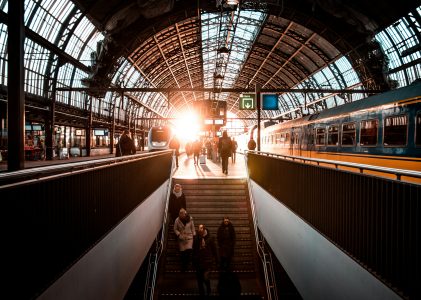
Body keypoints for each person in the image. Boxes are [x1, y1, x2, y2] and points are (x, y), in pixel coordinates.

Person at [193, 224, 218, 297]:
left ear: (204, 229)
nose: (199, 229)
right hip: (199, 262)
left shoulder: (210, 238)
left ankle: (208, 288)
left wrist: (217, 260)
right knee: (199, 280)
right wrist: (193, 260)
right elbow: (194, 250)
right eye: (198, 228)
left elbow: (214, 250)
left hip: (207, 262)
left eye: (201, 228)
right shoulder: (196, 238)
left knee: (206, 277)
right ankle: (202, 293)